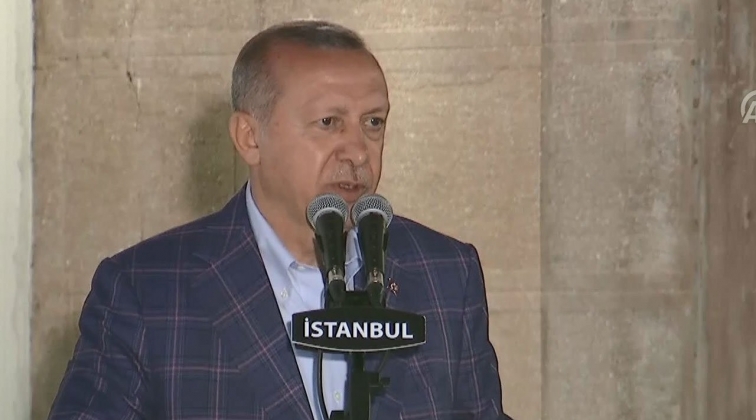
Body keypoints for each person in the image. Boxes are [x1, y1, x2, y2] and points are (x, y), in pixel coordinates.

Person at [47, 20, 512, 420]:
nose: (357, 151)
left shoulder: (445, 274)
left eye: (373, 122)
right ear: (250, 138)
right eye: (329, 123)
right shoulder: (145, 290)